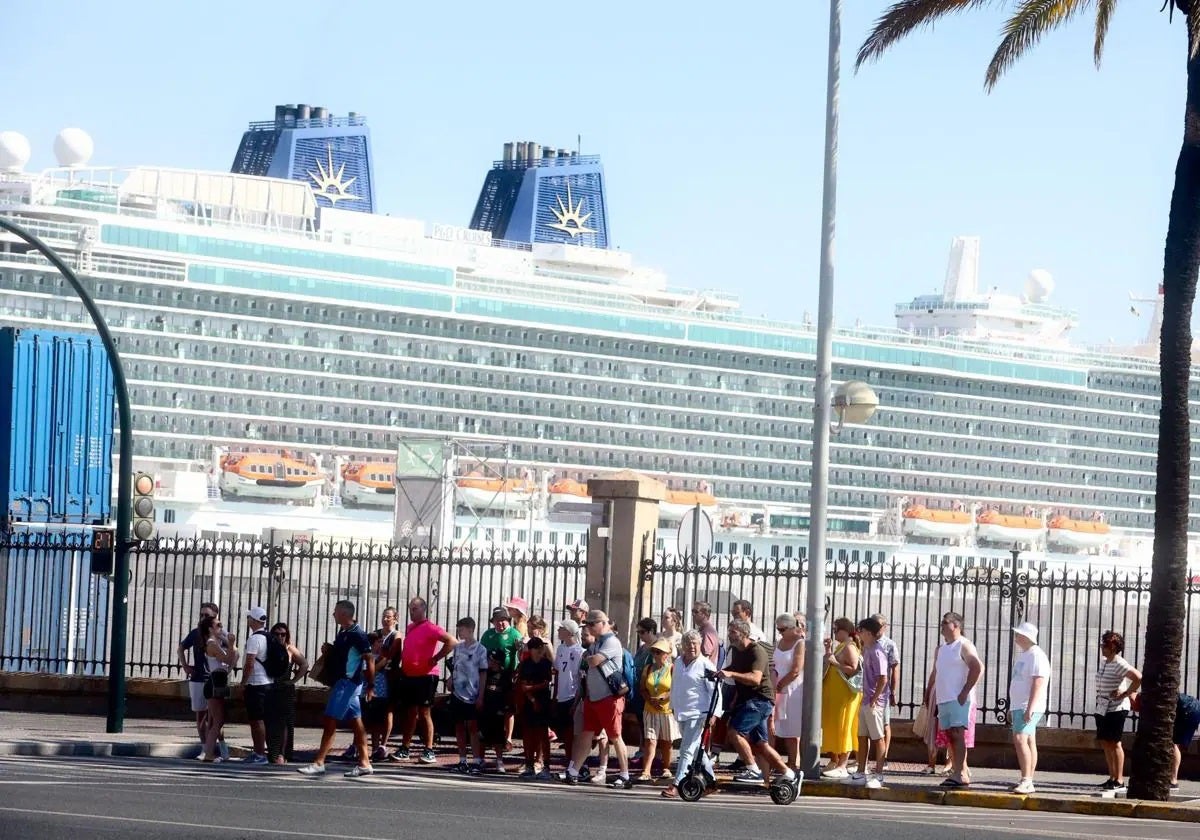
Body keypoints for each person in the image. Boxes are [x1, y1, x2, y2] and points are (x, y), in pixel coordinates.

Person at [297, 600, 375, 777]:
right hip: (345, 683)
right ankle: (364, 763)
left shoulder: (358, 634)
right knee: (357, 723)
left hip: (347, 683)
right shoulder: (344, 632)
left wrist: (371, 685)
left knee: (330, 720)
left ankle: (319, 762)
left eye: (335, 612)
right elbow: (345, 655)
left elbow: (369, 659)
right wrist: (330, 650)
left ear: (344, 614)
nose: (333, 614)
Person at [716, 619, 797, 787]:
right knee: (761, 744)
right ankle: (789, 774)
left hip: (760, 699)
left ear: (744, 633)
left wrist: (731, 674)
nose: (730, 635)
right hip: (748, 700)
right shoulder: (736, 650)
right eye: (729, 631)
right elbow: (732, 668)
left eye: (734, 632)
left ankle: (753, 769)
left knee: (735, 733)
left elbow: (755, 678)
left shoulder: (756, 651)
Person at [563, 610, 632, 789]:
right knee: (586, 733)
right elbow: (586, 660)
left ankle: (624, 775)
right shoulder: (597, 642)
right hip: (593, 698)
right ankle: (573, 771)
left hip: (609, 698)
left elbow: (592, 661)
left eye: (592, 625)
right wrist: (589, 657)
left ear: (602, 623)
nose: (589, 628)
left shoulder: (611, 642)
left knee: (615, 736)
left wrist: (589, 657)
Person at [396, 596, 456, 764]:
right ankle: (404, 748)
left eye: (414, 609)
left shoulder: (431, 628)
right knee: (410, 713)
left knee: (424, 712)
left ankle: (429, 749)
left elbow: (451, 641)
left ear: (423, 609)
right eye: (410, 609)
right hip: (409, 675)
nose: (411, 612)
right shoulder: (410, 627)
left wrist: (436, 658)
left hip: (426, 676)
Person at [661, 629, 720, 799]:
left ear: (700, 645)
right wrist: (673, 705)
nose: (692, 647)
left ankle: (677, 784)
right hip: (681, 712)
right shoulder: (679, 662)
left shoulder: (706, 664)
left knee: (686, 749)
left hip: (698, 713)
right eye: (689, 643)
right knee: (696, 750)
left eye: (695, 643)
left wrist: (714, 714)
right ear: (683, 646)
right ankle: (711, 782)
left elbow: (715, 692)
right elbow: (676, 685)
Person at [929, 612, 984, 788]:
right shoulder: (942, 649)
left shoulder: (964, 645)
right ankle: (957, 771)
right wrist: (930, 692)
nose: (942, 625)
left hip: (958, 698)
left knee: (958, 735)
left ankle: (961, 773)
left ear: (956, 626)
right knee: (949, 736)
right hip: (944, 698)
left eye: (946, 622)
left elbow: (977, 667)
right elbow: (937, 672)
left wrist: (965, 690)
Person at [1094, 630, 1141, 793]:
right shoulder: (1105, 661)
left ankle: (1119, 779)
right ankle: (1112, 776)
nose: (1102, 647)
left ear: (1113, 647)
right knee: (1105, 742)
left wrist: (1126, 693)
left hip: (1116, 708)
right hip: (1103, 706)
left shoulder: (1120, 663)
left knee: (1115, 742)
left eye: (1105, 644)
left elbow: (1138, 677)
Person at [1008, 621, 1050, 794]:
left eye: (1019, 634)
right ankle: (1027, 778)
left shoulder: (1036, 655)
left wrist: (1030, 707)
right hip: (1021, 704)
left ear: (1027, 637)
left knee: (1020, 739)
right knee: (1028, 739)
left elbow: (1038, 682)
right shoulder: (1026, 654)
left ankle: (1027, 780)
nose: (1016, 637)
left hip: (1028, 705)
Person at [480, 606, 522, 772]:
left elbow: (521, 654)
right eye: (497, 621)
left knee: (506, 711)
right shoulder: (488, 634)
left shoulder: (514, 634)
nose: (501, 624)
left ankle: (508, 738)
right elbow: (481, 652)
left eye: (503, 620)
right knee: (485, 717)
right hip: (488, 678)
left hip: (507, 678)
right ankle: (481, 757)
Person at [820, 617, 861, 778]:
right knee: (833, 727)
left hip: (845, 695)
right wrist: (829, 650)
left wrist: (835, 663)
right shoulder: (841, 646)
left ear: (844, 630)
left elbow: (854, 669)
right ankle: (834, 760)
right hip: (834, 694)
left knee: (844, 727)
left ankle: (843, 764)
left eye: (836, 629)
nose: (834, 632)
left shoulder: (850, 647)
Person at [177, 602, 219, 752]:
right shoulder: (196, 633)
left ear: (215, 616)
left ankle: (215, 746)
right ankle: (204, 747)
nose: (203, 618)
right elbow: (181, 648)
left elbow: (232, 654)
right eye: (201, 615)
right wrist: (185, 666)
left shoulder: (219, 634)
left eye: (206, 615)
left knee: (215, 717)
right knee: (200, 715)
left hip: (214, 680)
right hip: (198, 679)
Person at [448, 616, 488, 775]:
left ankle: (477, 760)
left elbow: (483, 672)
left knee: (473, 727)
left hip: (472, 692)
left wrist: (481, 696)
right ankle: (462, 759)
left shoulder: (480, 649)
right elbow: (456, 666)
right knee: (459, 726)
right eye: (458, 629)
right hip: (458, 692)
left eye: (462, 629)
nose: (459, 632)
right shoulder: (458, 648)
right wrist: (451, 678)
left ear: (471, 629)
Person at [263, 621, 307, 765]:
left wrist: (293, 680)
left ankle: (282, 753)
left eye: (283, 634)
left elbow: (304, 664)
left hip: (285, 688)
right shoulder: (268, 647)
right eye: (277, 634)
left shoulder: (289, 649)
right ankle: (272, 752)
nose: (280, 637)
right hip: (270, 687)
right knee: (270, 722)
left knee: (284, 723)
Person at [853, 617, 888, 789]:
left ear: (868, 633)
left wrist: (874, 699)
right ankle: (861, 771)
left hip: (874, 702)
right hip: (865, 700)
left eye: (860, 631)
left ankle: (879, 774)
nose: (858, 634)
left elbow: (883, 678)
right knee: (862, 736)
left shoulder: (876, 651)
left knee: (878, 738)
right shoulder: (866, 650)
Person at [637, 638, 679, 782]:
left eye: (658, 652)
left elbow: (675, 688)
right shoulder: (648, 668)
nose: (655, 655)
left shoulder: (672, 669)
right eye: (654, 652)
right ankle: (646, 770)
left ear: (666, 654)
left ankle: (666, 768)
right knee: (650, 740)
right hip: (650, 709)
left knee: (666, 742)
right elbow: (642, 688)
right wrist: (650, 700)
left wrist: (663, 697)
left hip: (666, 710)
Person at [199, 614, 238, 763]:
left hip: (219, 681)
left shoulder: (216, 642)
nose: (221, 628)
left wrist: (230, 645)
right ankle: (208, 753)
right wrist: (231, 643)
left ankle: (209, 752)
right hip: (214, 682)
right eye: (218, 625)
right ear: (210, 629)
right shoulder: (212, 644)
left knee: (218, 720)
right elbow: (228, 659)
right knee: (218, 720)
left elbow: (231, 658)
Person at [517, 636, 554, 779]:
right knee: (528, 734)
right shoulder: (525, 664)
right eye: (536, 648)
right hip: (529, 702)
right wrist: (532, 698)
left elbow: (546, 683)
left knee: (543, 735)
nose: (540, 650)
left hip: (543, 701)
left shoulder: (546, 664)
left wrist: (532, 688)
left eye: (541, 647)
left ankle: (546, 766)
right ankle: (529, 765)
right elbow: (523, 686)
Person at [771, 612, 805, 770]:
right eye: (778, 629)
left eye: (783, 629)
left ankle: (793, 762)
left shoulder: (800, 643)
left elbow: (796, 670)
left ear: (792, 628)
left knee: (792, 728)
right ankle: (774, 761)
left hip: (792, 689)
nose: (780, 632)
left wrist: (780, 684)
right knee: (777, 726)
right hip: (778, 688)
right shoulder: (778, 643)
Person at [239, 606, 271, 764]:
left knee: (256, 720)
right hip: (267, 683)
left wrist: (243, 682)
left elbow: (249, 664)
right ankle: (260, 752)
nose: (248, 620)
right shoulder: (268, 637)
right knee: (261, 719)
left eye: (249, 618)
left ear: (253, 620)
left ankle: (260, 753)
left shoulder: (254, 639)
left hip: (256, 683)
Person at [553, 619, 584, 766]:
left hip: (573, 695)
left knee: (574, 732)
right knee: (564, 731)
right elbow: (558, 671)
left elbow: (580, 676)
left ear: (569, 632)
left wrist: (578, 698)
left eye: (561, 629)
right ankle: (569, 760)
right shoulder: (561, 649)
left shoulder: (579, 651)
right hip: (561, 695)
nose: (558, 631)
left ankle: (576, 763)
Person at [871, 613, 901, 763]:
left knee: (884, 723)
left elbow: (895, 668)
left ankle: (884, 757)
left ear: (885, 627)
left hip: (882, 690)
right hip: (867, 688)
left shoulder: (889, 644)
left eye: (878, 625)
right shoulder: (866, 642)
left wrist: (893, 690)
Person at [1171, 693, 1200, 791]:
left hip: (1187, 710)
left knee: (1173, 743)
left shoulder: (1145, 699)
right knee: (1175, 744)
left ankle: (1173, 780)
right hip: (1193, 708)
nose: (1132, 710)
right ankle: (1172, 779)